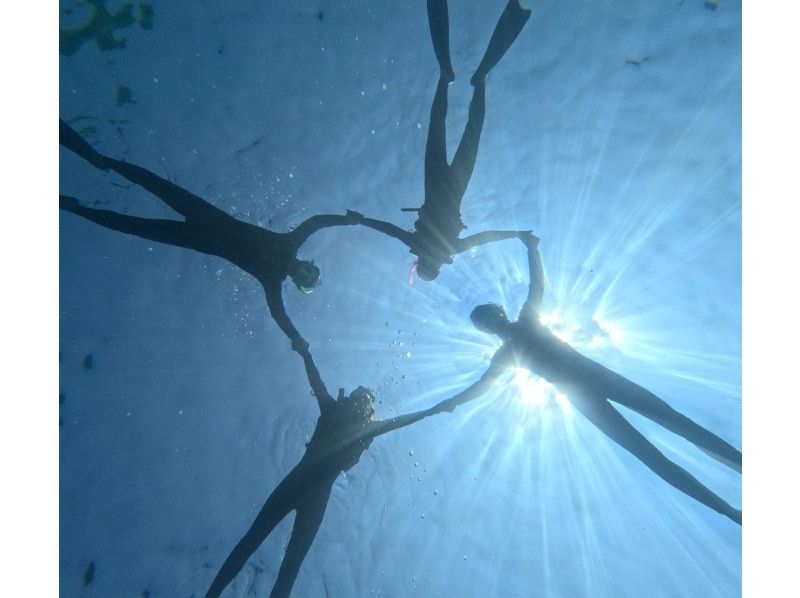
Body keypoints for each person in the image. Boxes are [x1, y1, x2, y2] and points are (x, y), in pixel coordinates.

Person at [440, 232, 743, 524]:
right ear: (488, 330)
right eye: (486, 322)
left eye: (491, 315)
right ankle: (729, 512)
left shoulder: (528, 320)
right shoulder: (505, 355)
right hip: (580, 397)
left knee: (674, 421)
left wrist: (532, 248)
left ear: (500, 313)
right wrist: (452, 402)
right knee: (648, 456)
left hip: (598, 376)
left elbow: (538, 285)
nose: (492, 322)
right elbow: (482, 386)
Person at [60, 119, 361, 348]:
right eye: (311, 269)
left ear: (298, 283)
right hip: (206, 214)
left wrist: (296, 339)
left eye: (305, 278)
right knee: (153, 183)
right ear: (308, 263)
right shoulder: (290, 243)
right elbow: (317, 221)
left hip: (195, 239)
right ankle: (99, 159)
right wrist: (349, 221)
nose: (305, 272)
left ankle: (77, 208)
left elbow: (279, 315)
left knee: (133, 226)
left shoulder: (272, 281)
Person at [205, 344, 466, 597]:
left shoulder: (351, 421)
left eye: (363, 401)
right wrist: (305, 352)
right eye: (358, 397)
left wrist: (435, 409)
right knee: (267, 551)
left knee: (280, 560)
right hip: (311, 493)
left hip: (301, 488)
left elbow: (400, 420)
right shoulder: (338, 414)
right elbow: (316, 380)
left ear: (366, 410)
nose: (359, 403)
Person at [351, 0, 533, 281]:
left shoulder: (452, 248)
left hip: (456, 183)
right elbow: (388, 228)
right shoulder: (420, 245)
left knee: (473, 130)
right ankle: (448, 78)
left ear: (432, 265)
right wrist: (361, 220)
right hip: (435, 181)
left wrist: (517, 233)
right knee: (439, 126)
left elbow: (485, 237)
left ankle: (476, 79)